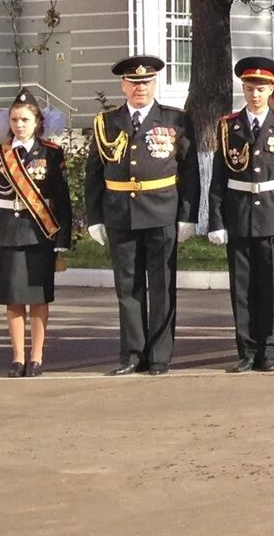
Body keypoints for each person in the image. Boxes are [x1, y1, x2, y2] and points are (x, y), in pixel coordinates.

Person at [85, 55, 200, 376]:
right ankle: (133, 354)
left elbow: (189, 172)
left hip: (162, 210)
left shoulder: (175, 120)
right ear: (123, 85)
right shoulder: (106, 123)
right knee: (128, 288)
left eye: (146, 82)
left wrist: (188, 215)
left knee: (162, 286)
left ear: (155, 84)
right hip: (120, 213)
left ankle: (160, 355)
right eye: (134, 83)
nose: (140, 88)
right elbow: (93, 174)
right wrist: (94, 217)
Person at [206, 57, 274, 372]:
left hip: (272, 215)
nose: (255, 94)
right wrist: (216, 221)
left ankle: (269, 351)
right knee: (242, 288)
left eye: (261, 89)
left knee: (271, 289)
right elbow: (218, 179)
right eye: (249, 88)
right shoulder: (228, 126)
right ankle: (246, 351)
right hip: (238, 214)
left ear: (271, 90)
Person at [0, 89, 72, 376]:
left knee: (38, 297)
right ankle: (17, 357)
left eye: (24, 119)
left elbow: (62, 198)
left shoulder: (51, 152)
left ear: (37, 122)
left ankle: (36, 357)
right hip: (7, 234)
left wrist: (63, 237)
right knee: (13, 298)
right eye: (14, 119)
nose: (18, 124)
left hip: (39, 234)